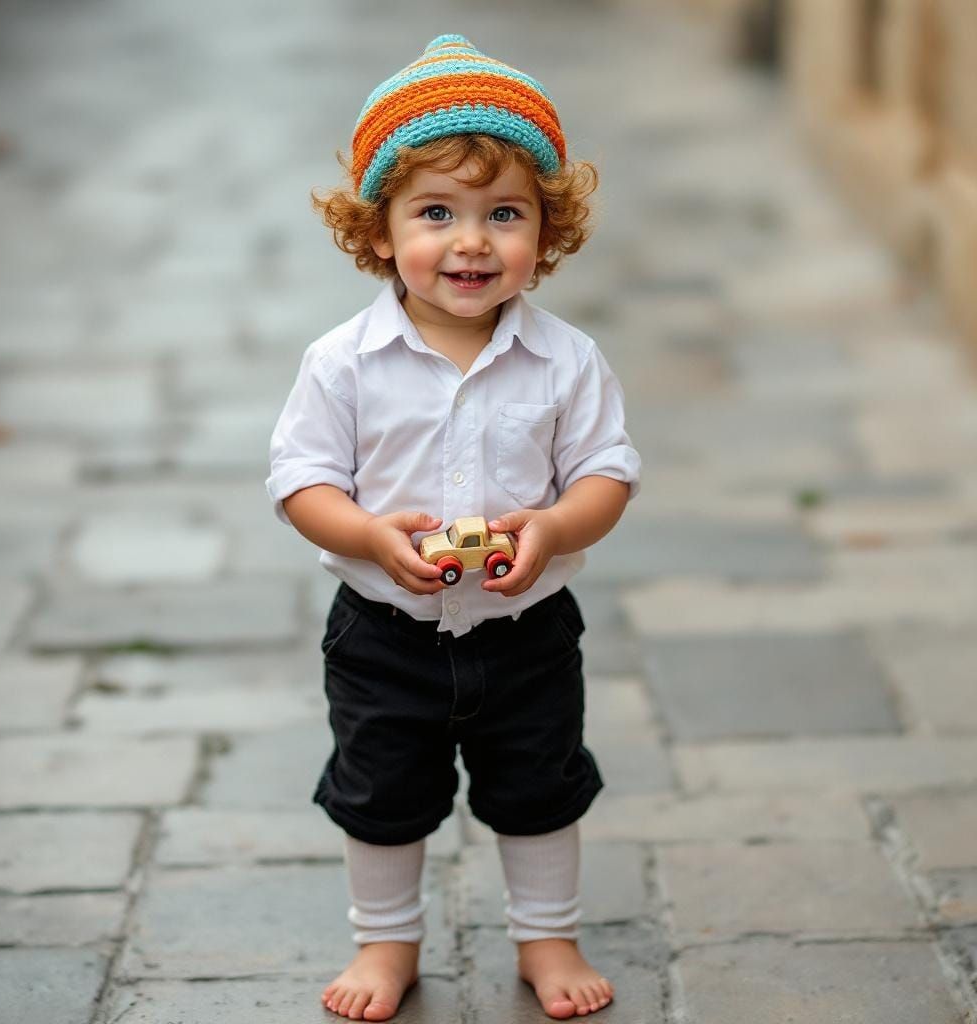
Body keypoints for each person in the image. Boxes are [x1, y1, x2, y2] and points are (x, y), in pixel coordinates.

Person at [266, 34, 641, 1022]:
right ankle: (385, 943)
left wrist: (555, 526)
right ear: (379, 231)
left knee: (540, 787)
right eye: (437, 212)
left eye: (502, 214)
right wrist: (367, 535)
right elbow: (301, 479)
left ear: (543, 233)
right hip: (384, 630)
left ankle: (546, 937)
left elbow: (607, 473)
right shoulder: (343, 363)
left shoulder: (565, 360)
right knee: (380, 795)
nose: (471, 240)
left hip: (527, 633)